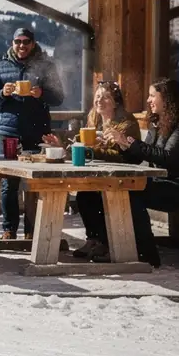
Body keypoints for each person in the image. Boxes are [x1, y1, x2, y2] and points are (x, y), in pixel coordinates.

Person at [101, 78, 179, 267]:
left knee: (132, 194)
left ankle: (146, 254)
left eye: (153, 95)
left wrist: (130, 142)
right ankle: (109, 245)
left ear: (166, 99)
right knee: (112, 190)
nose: (148, 101)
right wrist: (123, 146)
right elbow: (140, 156)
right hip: (172, 184)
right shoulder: (158, 122)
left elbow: (168, 157)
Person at [43, 80, 142, 259]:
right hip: (100, 173)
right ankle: (93, 240)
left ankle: (106, 243)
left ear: (116, 102)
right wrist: (62, 147)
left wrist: (90, 150)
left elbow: (121, 156)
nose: (99, 101)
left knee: (99, 196)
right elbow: (83, 147)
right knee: (84, 195)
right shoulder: (94, 119)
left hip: (123, 175)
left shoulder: (127, 124)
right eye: (97, 97)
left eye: (105, 97)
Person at [0, 26, 65, 239]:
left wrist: (42, 94)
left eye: (26, 42)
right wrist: (3, 93)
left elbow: (58, 97)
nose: (21, 46)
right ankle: (9, 229)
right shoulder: (1, 67)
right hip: (9, 133)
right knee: (8, 182)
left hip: (37, 133)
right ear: (12, 43)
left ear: (33, 43)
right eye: (17, 41)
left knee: (35, 182)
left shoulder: (46, 66)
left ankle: (32, 231)